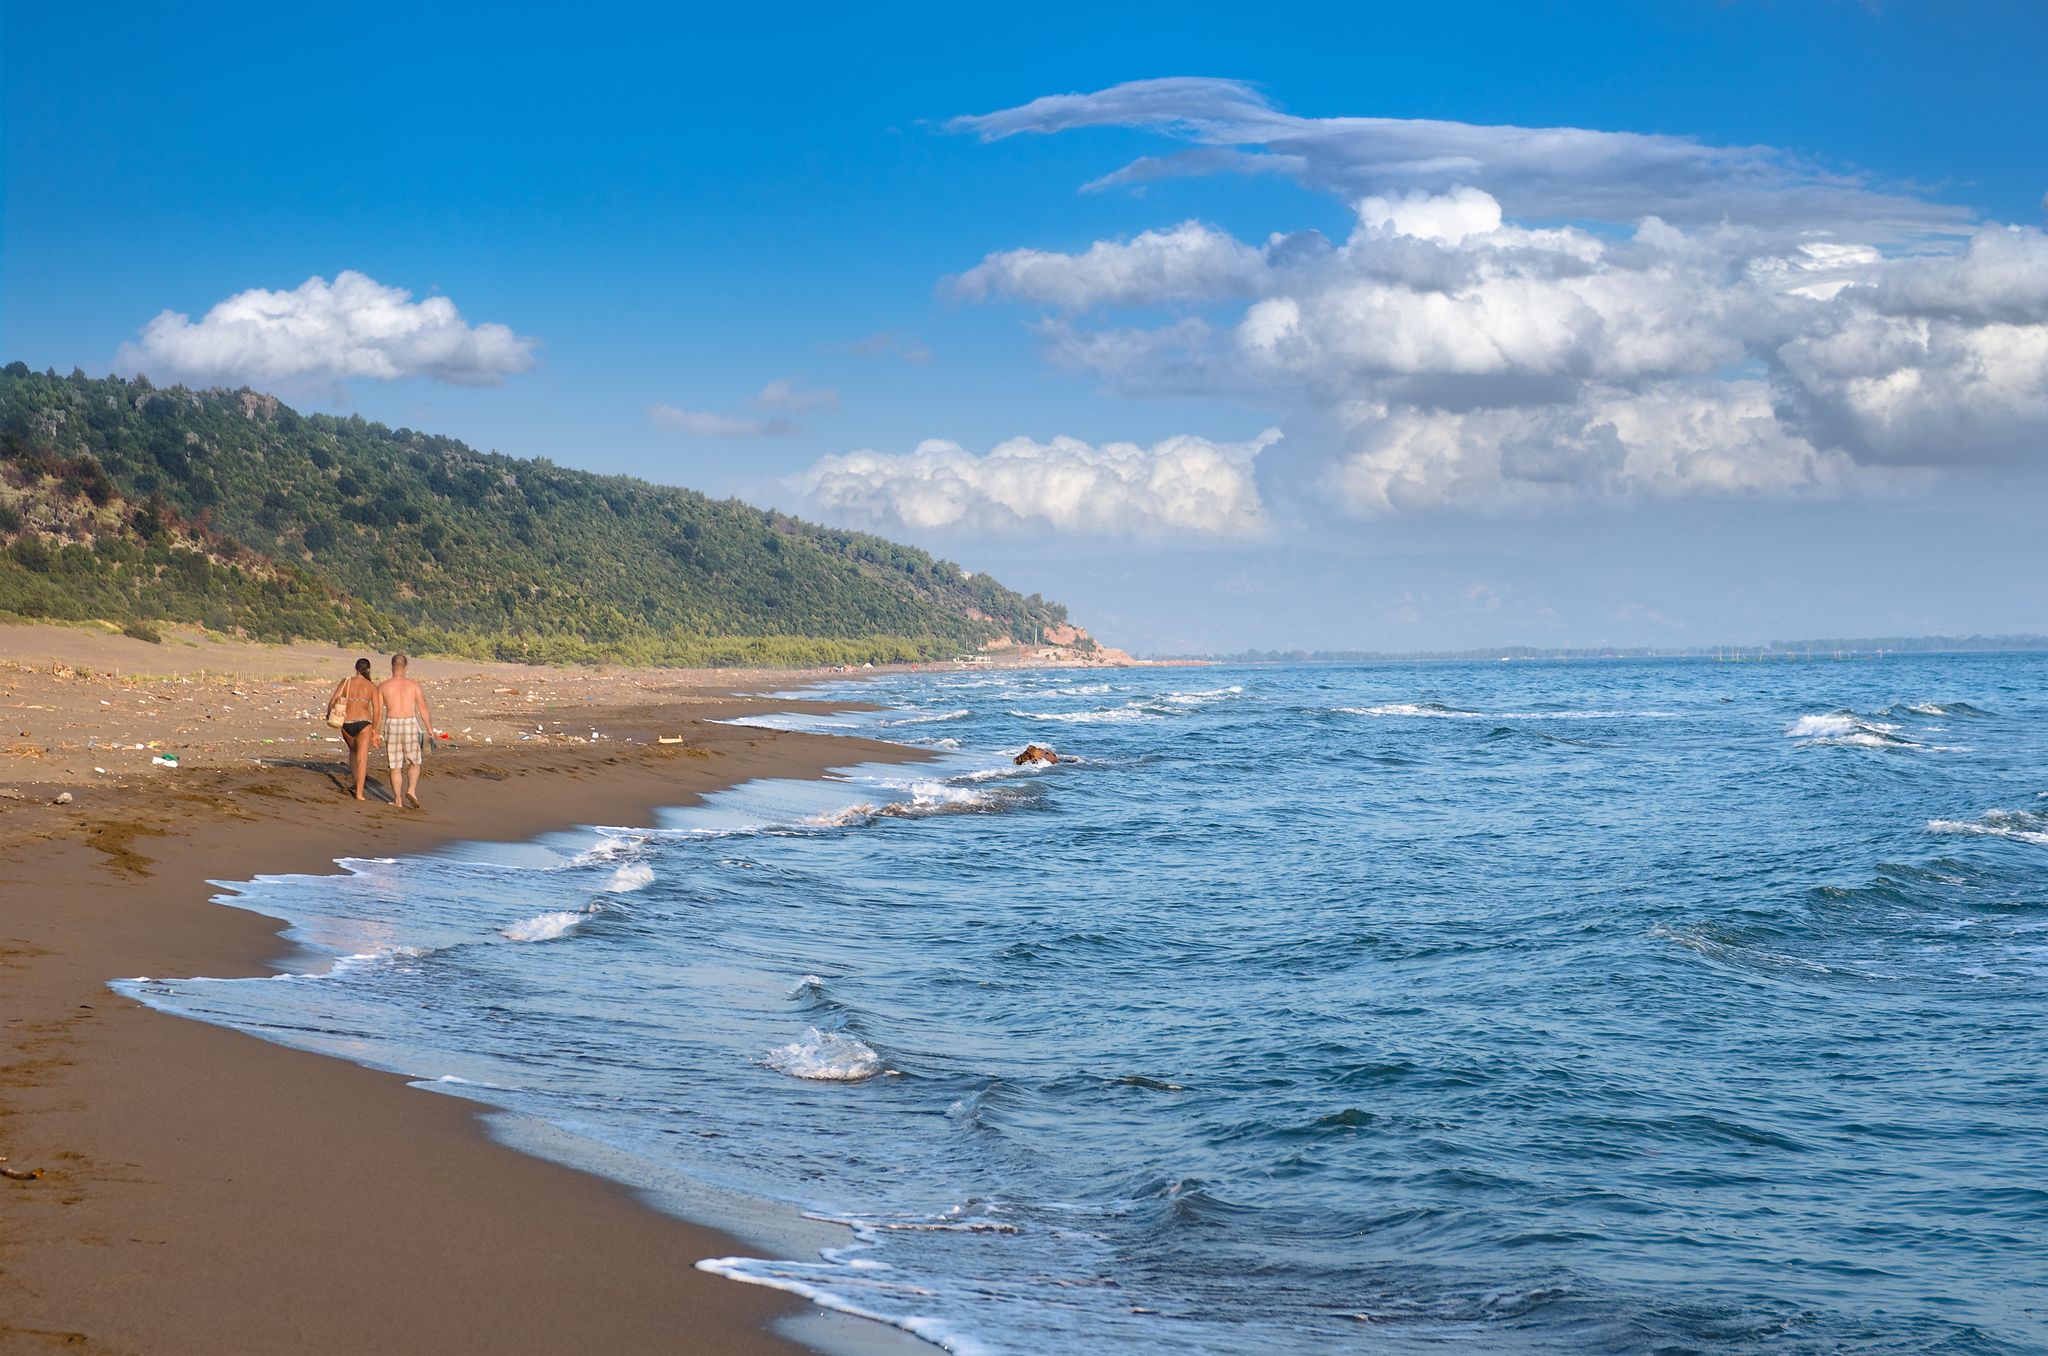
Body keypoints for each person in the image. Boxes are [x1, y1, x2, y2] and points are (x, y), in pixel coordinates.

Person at [377, 653, 434, 811]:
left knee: (395, 765)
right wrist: (429, 729)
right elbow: (423, 707)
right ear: (406, 667)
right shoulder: (414, 685)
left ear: (392, 667)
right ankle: (411, 790)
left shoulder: (383, 686)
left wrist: (376, 731)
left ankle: (397, 800)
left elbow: (378, 712)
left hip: (392, 722)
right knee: (414, 761)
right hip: (409, 722)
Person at [325, 657, 384, 802]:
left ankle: (356, 780)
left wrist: (328, 714)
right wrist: (375, 730)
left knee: (352, 751)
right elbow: (377, 711)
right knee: (362, 758)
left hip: (346, 721)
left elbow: (333, 700)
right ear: (368, 670)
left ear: (356, 668)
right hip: (364, 723)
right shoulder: (371, 686)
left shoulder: (346, 681)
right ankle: (359, 793)